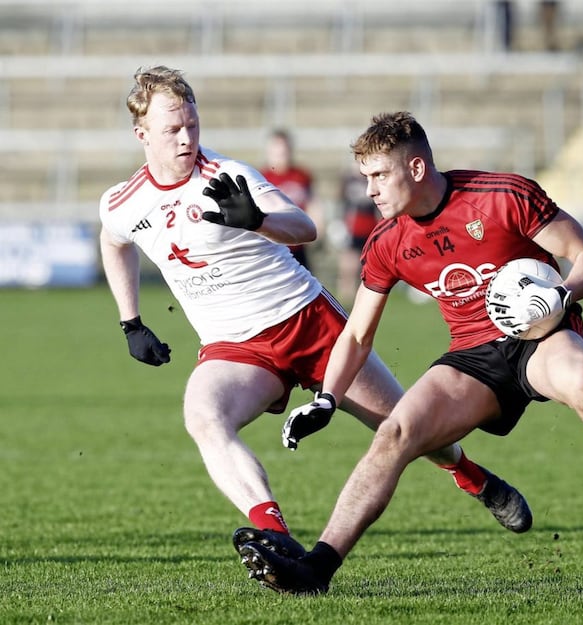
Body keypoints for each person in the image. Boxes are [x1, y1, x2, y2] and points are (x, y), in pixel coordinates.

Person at [238, 111, 583, 595]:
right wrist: (327, 400)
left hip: (542, 339)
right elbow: (358, 335)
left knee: (582, 379)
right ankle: (316, 570)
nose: (371, 190)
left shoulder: (502, 196)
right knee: (394, 433)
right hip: (473, 357)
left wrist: (561, 297)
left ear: (417, 169)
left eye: (380, 175)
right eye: (366, 178)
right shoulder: (386, 241)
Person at [98, 68, 533, 571]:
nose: (187, 137)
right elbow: (114, 241)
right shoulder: (123, 201)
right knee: (203, 417)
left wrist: (257, 220)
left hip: (309, 323)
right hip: (235, 348)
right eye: (173, 129)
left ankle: (471, 475)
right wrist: (131, 321)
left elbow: (304, 228)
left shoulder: (226, 176)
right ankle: (275, 533)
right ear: (142, 134)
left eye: (192, 124)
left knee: (403, 429)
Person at [259, 128, 320, 272]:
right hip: (273, 244)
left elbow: (312, 202)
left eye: (284, 150)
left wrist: (317, 224)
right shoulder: (261, 176)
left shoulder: (301, 175)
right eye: (277, 150)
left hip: (298, 241)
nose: (281, 155)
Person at [335, 161, 381, 305]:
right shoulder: (348, 180)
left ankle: (359, 294)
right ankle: (345, 293)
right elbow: (341, 202)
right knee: (349, 263)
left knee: (364, 265)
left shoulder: (371, 180)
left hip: (369, 226)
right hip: (352, 227)